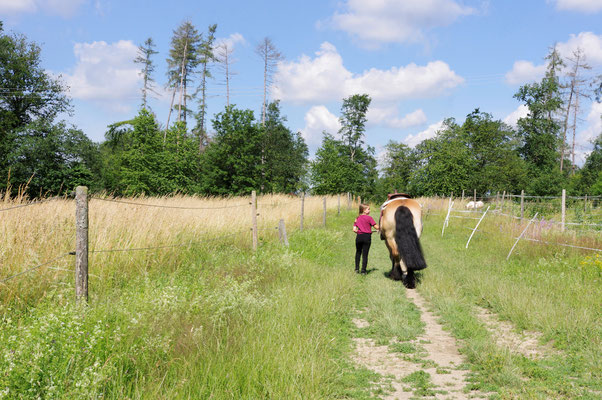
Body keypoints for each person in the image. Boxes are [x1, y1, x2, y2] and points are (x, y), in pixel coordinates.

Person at [353, 203, 379, 274]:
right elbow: (376, 227)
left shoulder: (357, 218)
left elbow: (354, 229)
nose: (369, 210)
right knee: (365, 254)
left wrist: (359, 230)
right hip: (367, 237)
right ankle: (363, 271)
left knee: (358, 252)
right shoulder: (369, 218)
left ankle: (356, 269)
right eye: (368, 209)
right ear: (364, 210)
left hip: (359, 237)